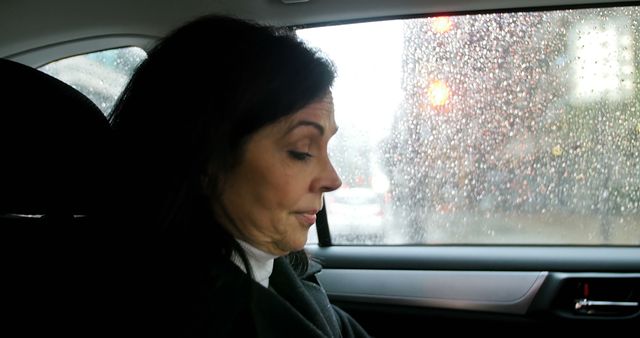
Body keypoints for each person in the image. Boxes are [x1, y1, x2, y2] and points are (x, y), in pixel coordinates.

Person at [109, 15, 370, 338]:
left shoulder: (278, 269)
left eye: (326, 147)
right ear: (204, 157)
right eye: (302, 151)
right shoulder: (185, 316)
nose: (332, 179)